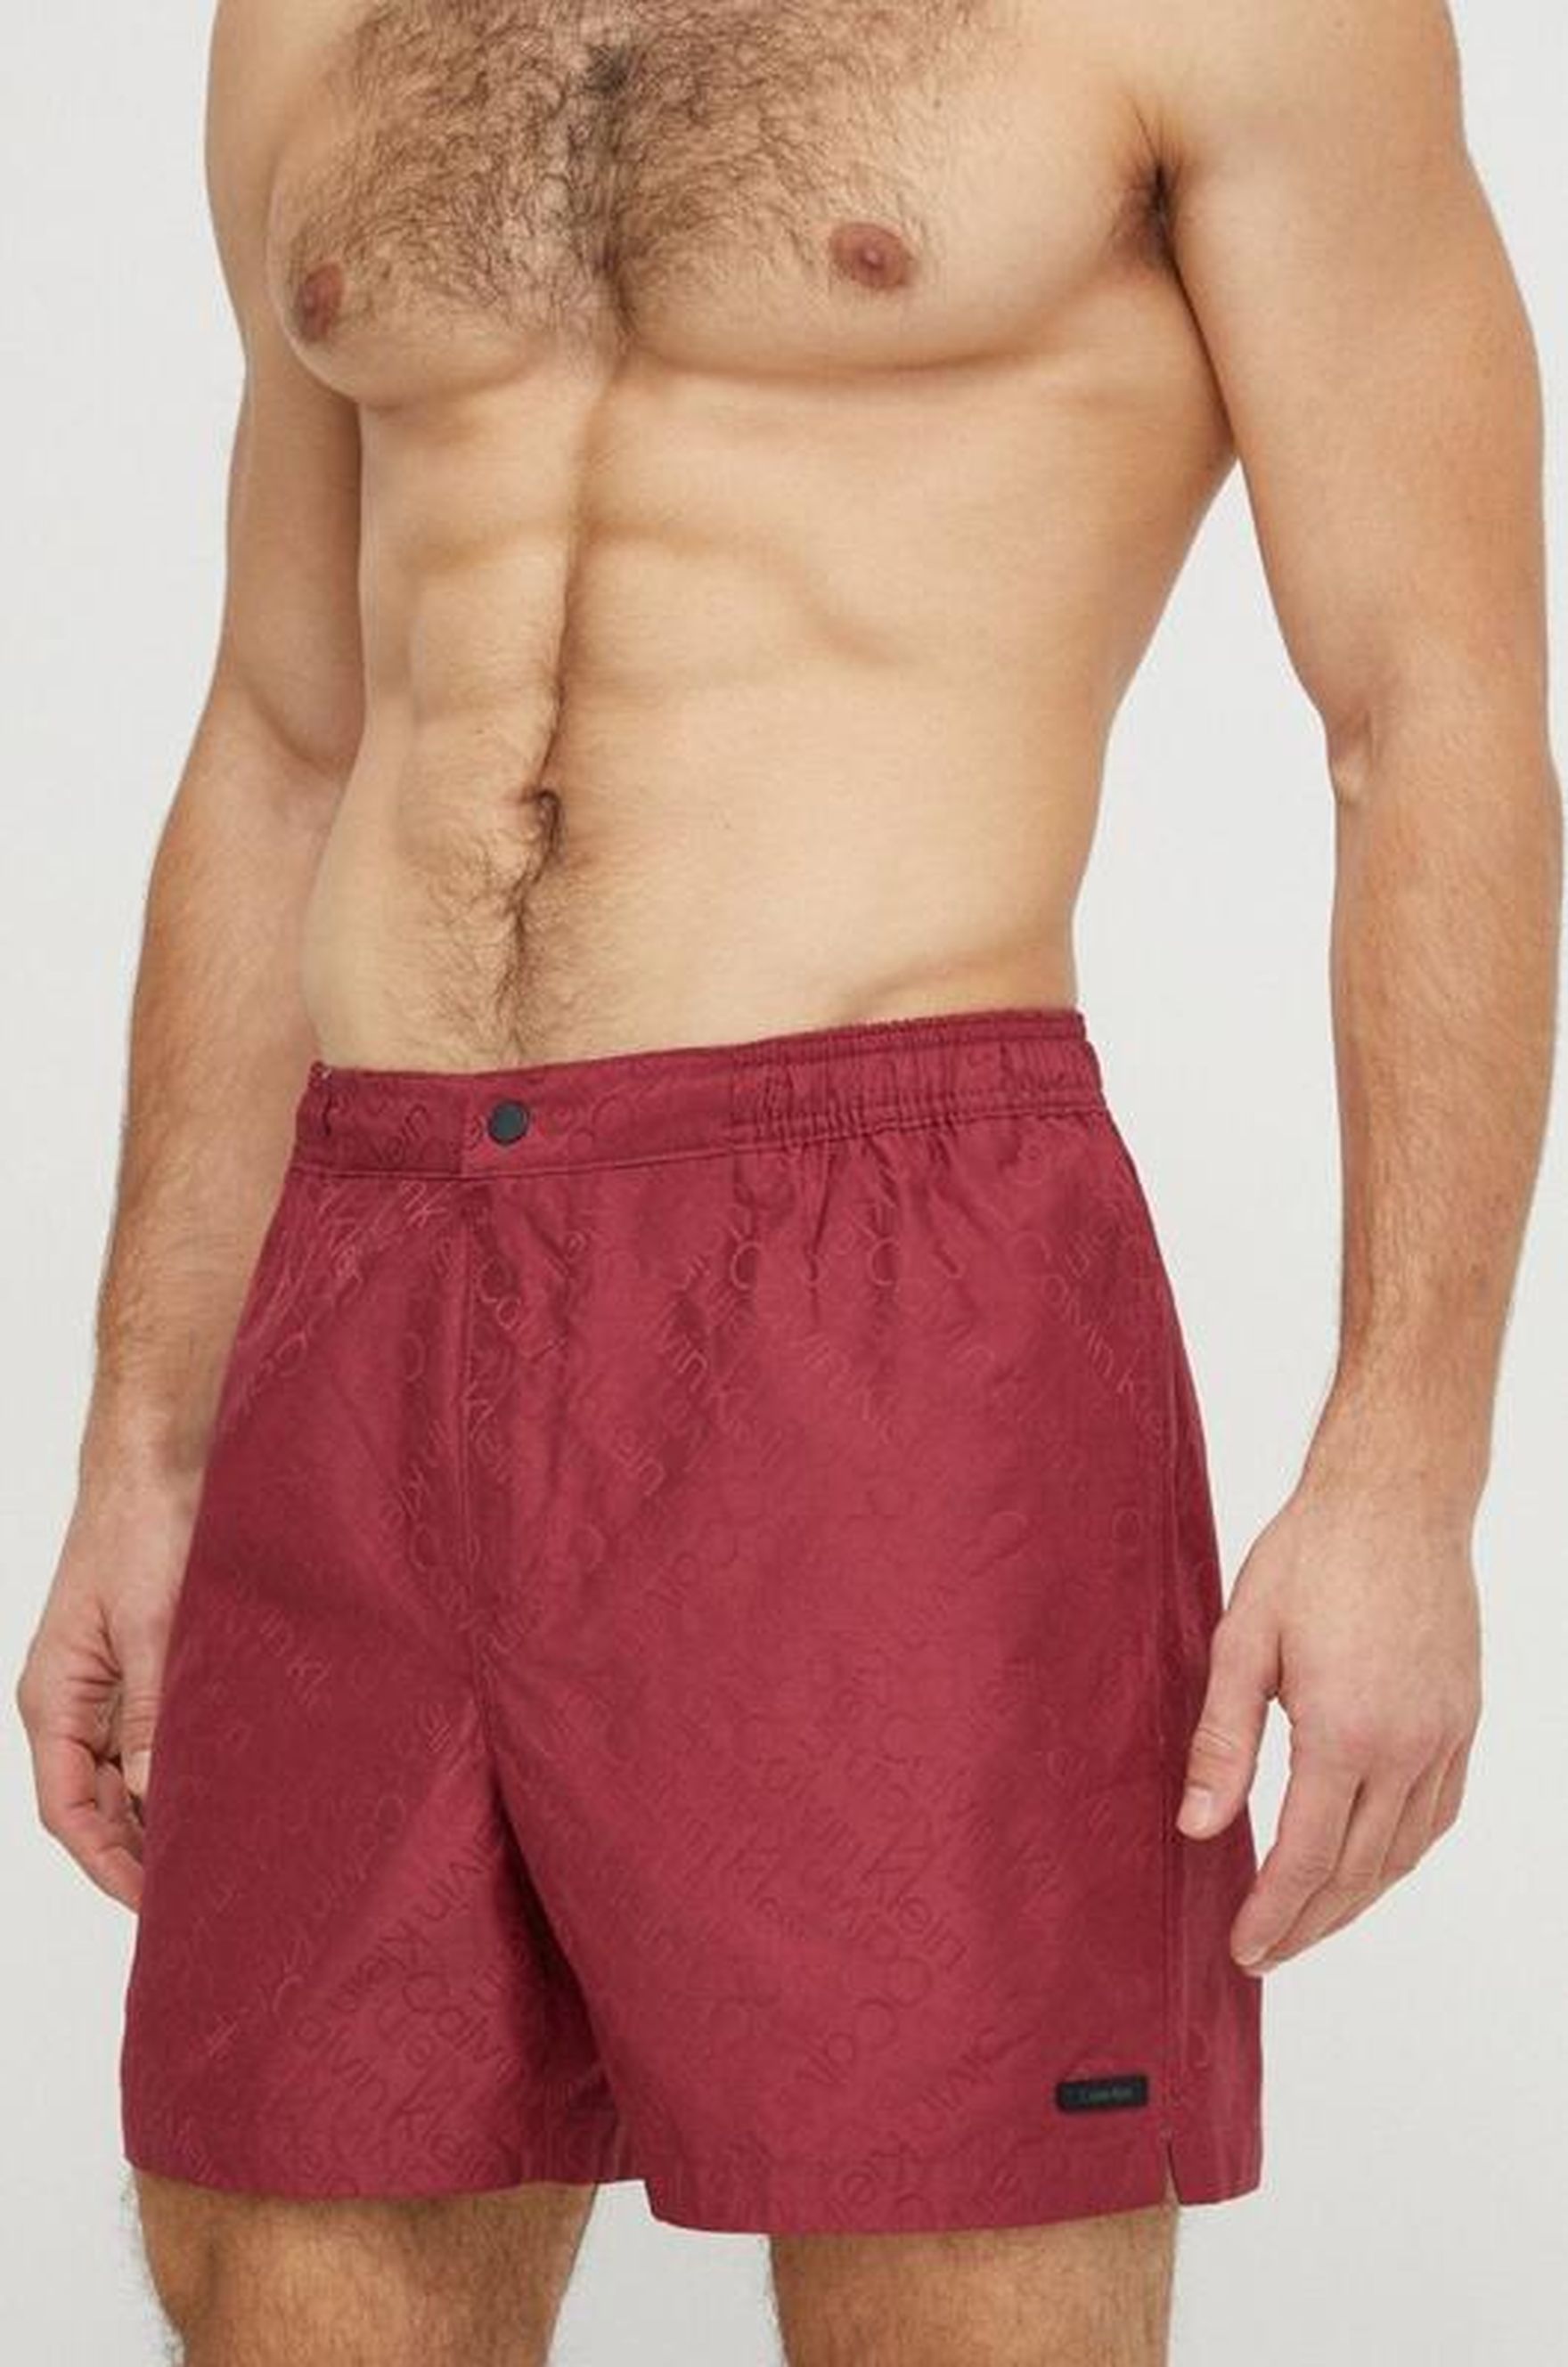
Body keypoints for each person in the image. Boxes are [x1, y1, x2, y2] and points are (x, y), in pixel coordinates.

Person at [15, 0, 1559, 2360]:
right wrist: (146, 1439)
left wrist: (1407, 1466)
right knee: (288, 2268)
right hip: (376, 1260)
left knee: (961, 2274)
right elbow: (284, 736)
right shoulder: (313, 26)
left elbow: (1430, 709)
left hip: (893, 1273)